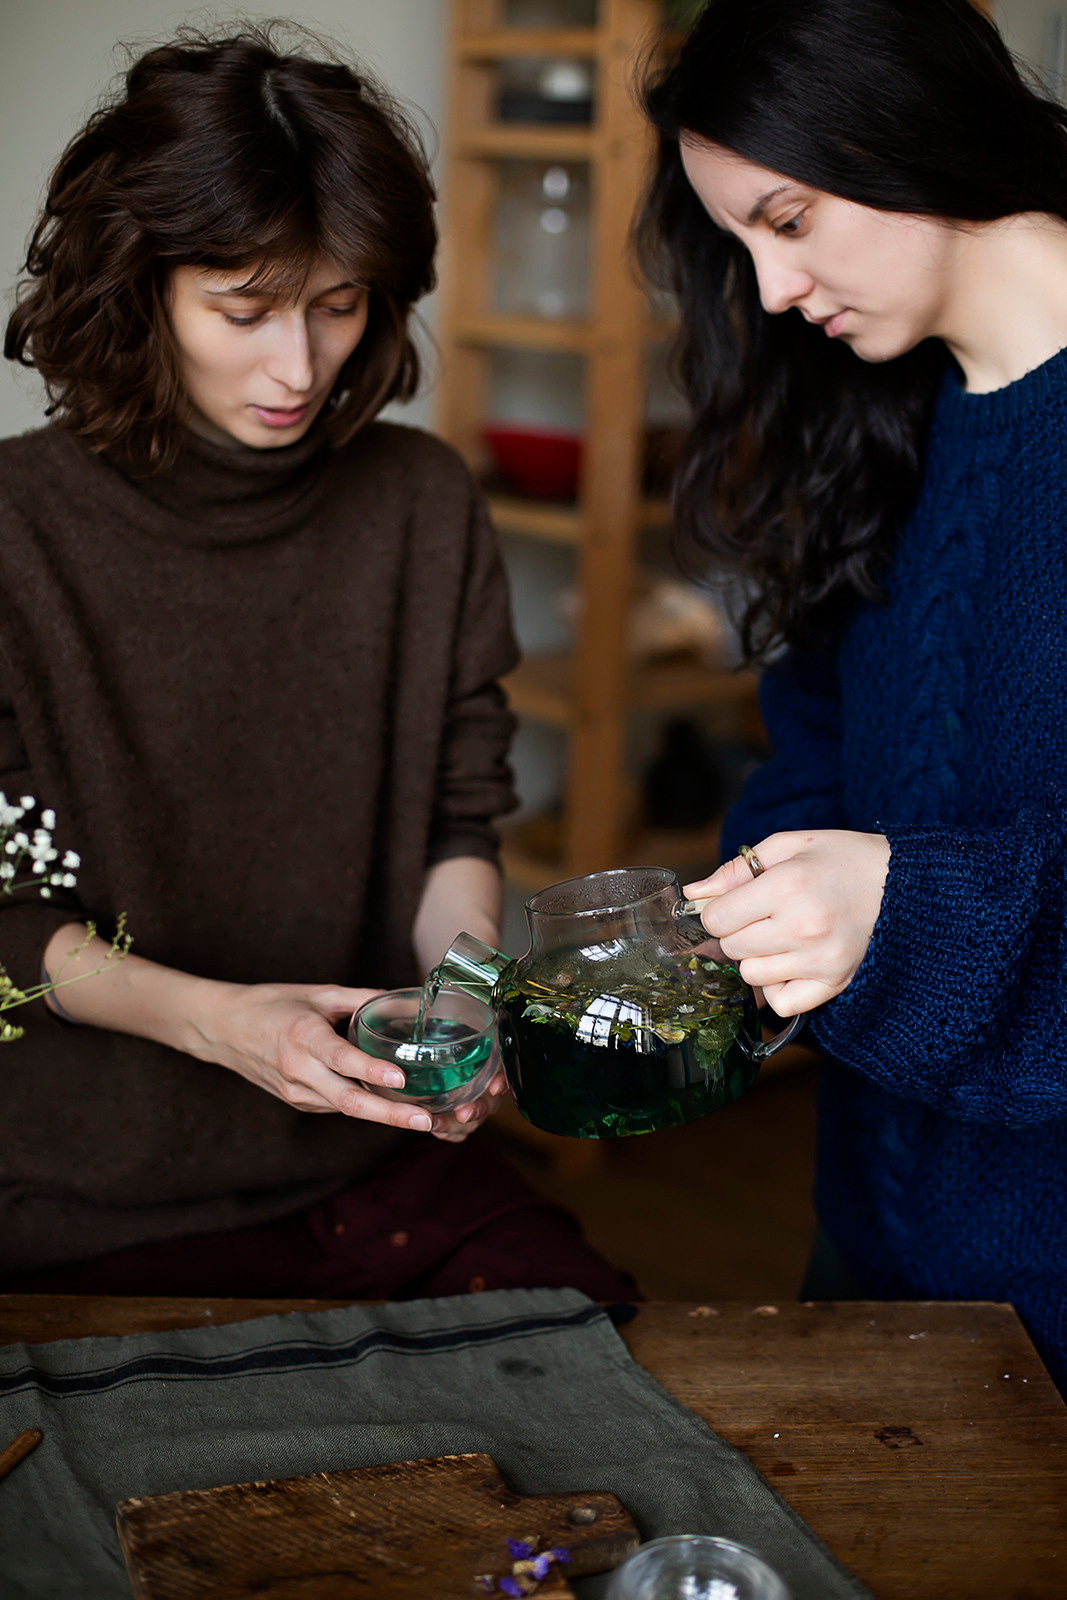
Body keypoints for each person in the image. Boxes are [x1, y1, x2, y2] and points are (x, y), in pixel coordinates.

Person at [0, 24, 635, 1303]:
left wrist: (461, 997)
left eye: (337, 306)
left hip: (371, 1147)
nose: (297, 367)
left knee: (598, 1373)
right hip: (79, 1188)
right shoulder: (19, 531)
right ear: (140, 289)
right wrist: (219, 1023)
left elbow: (455, 817)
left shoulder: (421, 503)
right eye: (242, 310)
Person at [636, 0, 1067, 1390]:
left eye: (786, 218)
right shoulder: (868, 414)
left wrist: (907, 905)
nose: (765, 290)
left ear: (894, 126)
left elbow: (913, 882)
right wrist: (765, 920)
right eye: (737, 243)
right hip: (875, 1222)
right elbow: (813, 738)